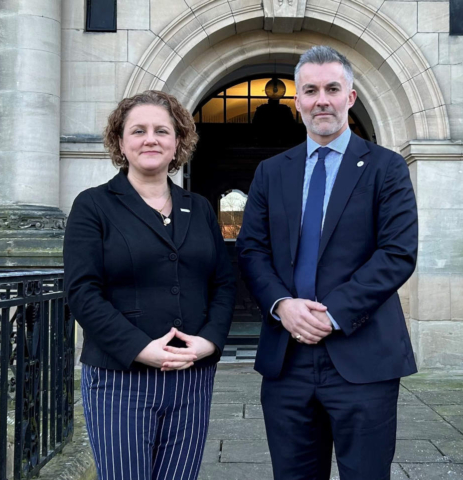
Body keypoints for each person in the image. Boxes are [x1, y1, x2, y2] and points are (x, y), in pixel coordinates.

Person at [236, 46, 418, 480]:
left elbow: (397, 253)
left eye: (332, 89)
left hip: (363, 356)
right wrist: (283, 305)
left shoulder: (386, 169)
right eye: (311, 90)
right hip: (287, 361)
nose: (322, 100)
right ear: (297, 100)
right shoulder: (270, 172)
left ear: (350, 97)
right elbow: (252, 250)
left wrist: (332, 314)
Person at [64, 90, 236, 480]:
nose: (150, 139)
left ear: (178, 142)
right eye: (138, 130)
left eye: (162, 130)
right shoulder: (93, 206)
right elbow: (82, 292)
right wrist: (141, 349)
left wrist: (209, 342)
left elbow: (224, 283)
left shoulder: (200, 207)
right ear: (120, 142)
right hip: (119, 379)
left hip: (191, 377)